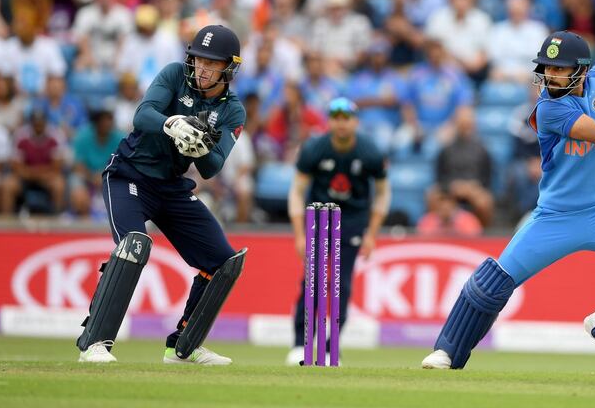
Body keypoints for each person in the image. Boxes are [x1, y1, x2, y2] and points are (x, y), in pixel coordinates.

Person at [421, 30, 595, 371]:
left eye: (559, 68)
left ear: (581, 70)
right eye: (547, 68)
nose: (550, 75)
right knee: (492, 285)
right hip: (557, 216)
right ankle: (447, 352)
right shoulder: (550, 108)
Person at [76, 25, 247, 366]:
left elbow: (213, 168)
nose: (202, 68)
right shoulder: (173, 75)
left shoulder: (233, 111)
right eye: (198, 59)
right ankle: (94, 343)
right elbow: (143, 115)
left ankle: (183, 346)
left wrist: (199, 146)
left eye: (212, 63)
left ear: (229, 68)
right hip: (129, 175)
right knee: (134, 245)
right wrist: (175, 124)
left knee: (224, 261)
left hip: (170, 187)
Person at [285, 97, 390, 366]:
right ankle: (301, 344)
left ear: (355, 121)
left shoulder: (370, 152)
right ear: (329, 121)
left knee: (341, 285)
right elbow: (296, 192)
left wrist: (372, 233)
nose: (341, 124)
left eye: (347, 119)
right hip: (319, 218)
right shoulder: (314, 149)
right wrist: (299, 234)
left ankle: (332, 348)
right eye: (336, 118)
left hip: (353, 220)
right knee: (312, 282)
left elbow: (382, 194)